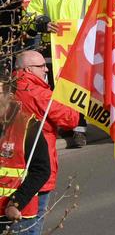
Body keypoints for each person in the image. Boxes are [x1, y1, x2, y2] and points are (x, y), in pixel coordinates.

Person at [11, 50, 78, 235]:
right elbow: (71, 118)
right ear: (28, 69)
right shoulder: (39, 93)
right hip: (38, 167)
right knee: (32, 224)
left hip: (11, 167)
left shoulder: (9, 87)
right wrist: (66, 94)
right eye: (41, 66)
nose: (46, 70)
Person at [0, 79, 48, 232]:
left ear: (9, 95)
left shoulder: (28, 125)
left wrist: (15, 203)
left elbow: (41, 171)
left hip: (17, 217)